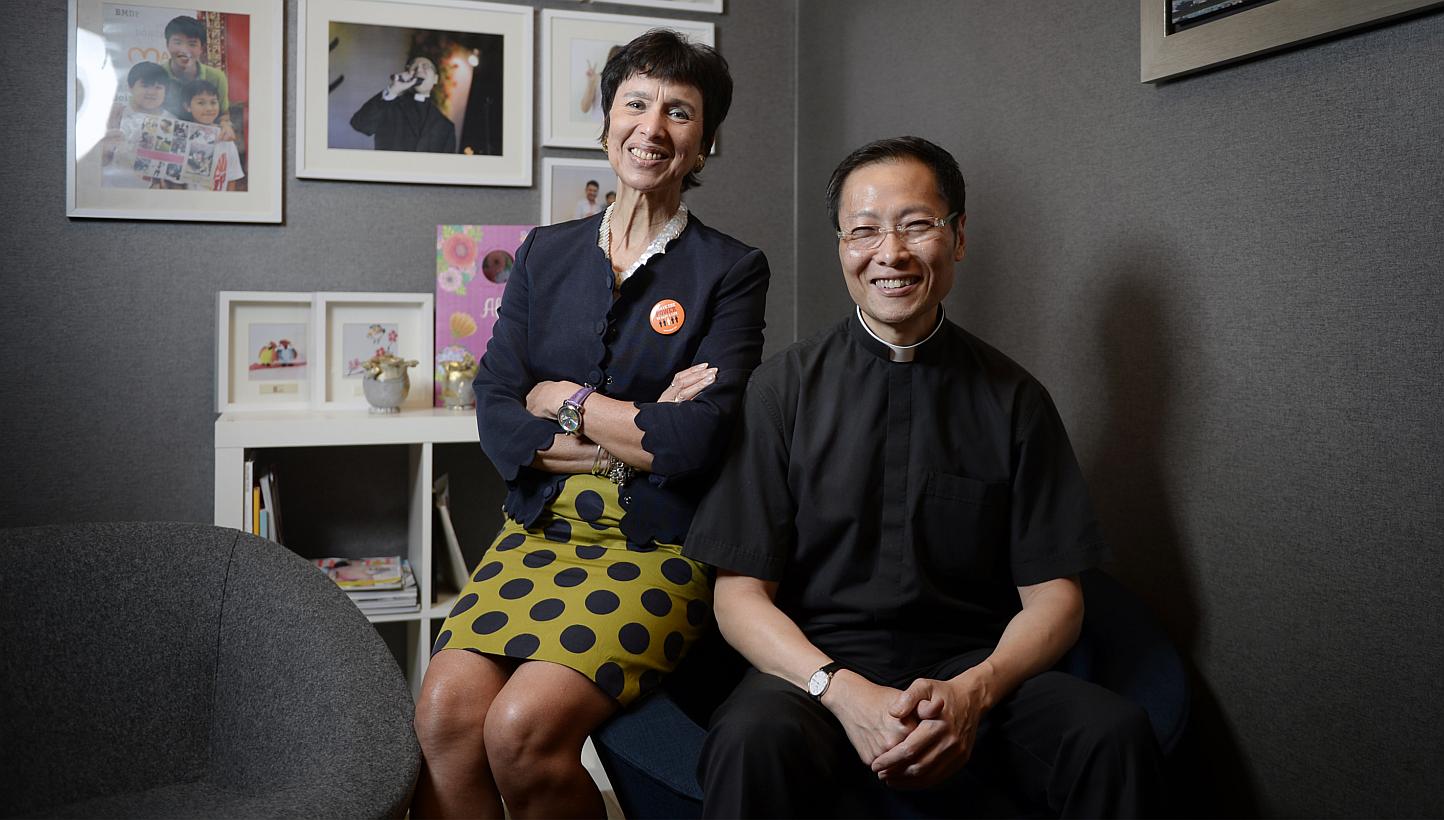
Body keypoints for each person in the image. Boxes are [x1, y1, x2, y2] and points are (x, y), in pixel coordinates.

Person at [683, 136, 1163, 818]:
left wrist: (974, 691)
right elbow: (738, 598)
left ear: (958, 236)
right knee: (749, 741)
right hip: (815, 673)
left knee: (1112, 736)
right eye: (865, 231)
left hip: (974, 671)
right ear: (841, 247)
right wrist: (840, 690)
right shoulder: (782, 390)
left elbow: (1057, 599)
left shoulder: (1015, 399)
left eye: (916, 225)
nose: (892, 253)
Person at [412, 29, 769, 820]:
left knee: (520, 729)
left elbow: (689, 442)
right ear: (607, 121)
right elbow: (498, 406)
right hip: (538, 531)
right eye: (636, 103)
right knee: (442, 716)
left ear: (705, 143)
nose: (653, 127)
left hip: (655, 546)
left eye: (680, 112)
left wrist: (562, 398)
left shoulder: (731, 271)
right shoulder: (546, 253)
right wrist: (622, 431)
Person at [349, 56, 456, 154]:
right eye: (414, 67)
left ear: (435, 79)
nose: (419, 70)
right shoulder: (389, 105)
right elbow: (359, 124)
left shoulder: (446, 126)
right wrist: (393, 89)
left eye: (425, 67)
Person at [159, 15, 234, 142]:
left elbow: (223, 114)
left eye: (192, 44)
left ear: (202, 49)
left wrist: (226, 125)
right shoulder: (157, 75)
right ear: (167, 44)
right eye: (177, 42)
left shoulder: (216, 77)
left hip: (204, 143)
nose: (184, 50)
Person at [101, 61, 171, 189]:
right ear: (130, 87)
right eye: (145, 86)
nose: (151, 92)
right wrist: (104, 150)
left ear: (165, 91)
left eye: (158, 87)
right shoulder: (113, 115)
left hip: (152, 198)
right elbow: (94, 163)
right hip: (112, 192)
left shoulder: (173, 122)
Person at [179, 79, 245, 191]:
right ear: (187, 107)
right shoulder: (182, 136)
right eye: (201, 103)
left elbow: (232, 178)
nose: (209, 108)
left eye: (213, 102)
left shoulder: (226, 138)